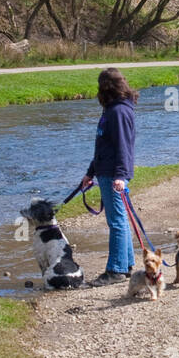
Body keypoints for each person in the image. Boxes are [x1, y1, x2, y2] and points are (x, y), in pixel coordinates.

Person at [79, 68, 138, 285]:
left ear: (106, 88)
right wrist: (90, 172)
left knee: (117, 222)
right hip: (106, 172)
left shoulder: (118, 112)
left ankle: (115, 270)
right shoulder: (112, 110)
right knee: (120, 219)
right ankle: (127, 264)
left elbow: (123, 146)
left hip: (114, 175)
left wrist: (121, 176)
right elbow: (103, 146)